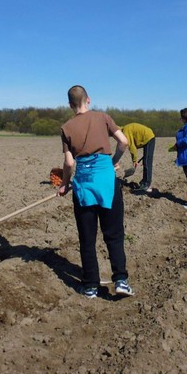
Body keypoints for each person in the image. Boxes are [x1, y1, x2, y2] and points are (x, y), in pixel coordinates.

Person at [58, 85, 134, 299]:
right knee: (114, 235)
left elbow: (69, 162)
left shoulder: (66, 127)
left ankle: (90, 285)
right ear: (88, 100)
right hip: (107, 182)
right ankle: (121, 281)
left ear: (70, 105)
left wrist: (64, 183)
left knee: (87, 238)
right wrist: (113, 162)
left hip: (83, 186)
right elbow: (124, 142)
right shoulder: (103, 117)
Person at [120, 122, 156, 192]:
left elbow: (132, 147)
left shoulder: (125, 131)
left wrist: (135, 160)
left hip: (148, 138)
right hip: (148, 138)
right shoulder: (125, 129)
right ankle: (145, 182)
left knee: (147, 162)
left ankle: (147, 185)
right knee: (146, 161)